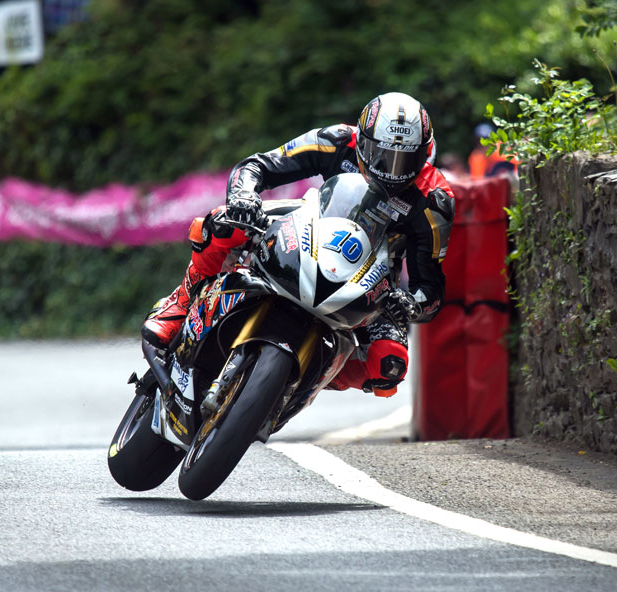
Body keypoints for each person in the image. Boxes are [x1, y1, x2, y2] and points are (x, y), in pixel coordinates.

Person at [142, 92, 455, 397]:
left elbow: (430, 287)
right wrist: (245, 195)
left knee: (389, 366)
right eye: (383, 155)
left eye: (405, 160)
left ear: (424, 154)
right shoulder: (335, 139)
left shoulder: (435, 200)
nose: (391, 170)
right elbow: (257, 166)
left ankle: (301, 379)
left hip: (372, 278)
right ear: (362, 140)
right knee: (221, 225)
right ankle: (179, 304)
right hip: (309, 225)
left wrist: (411, 304)